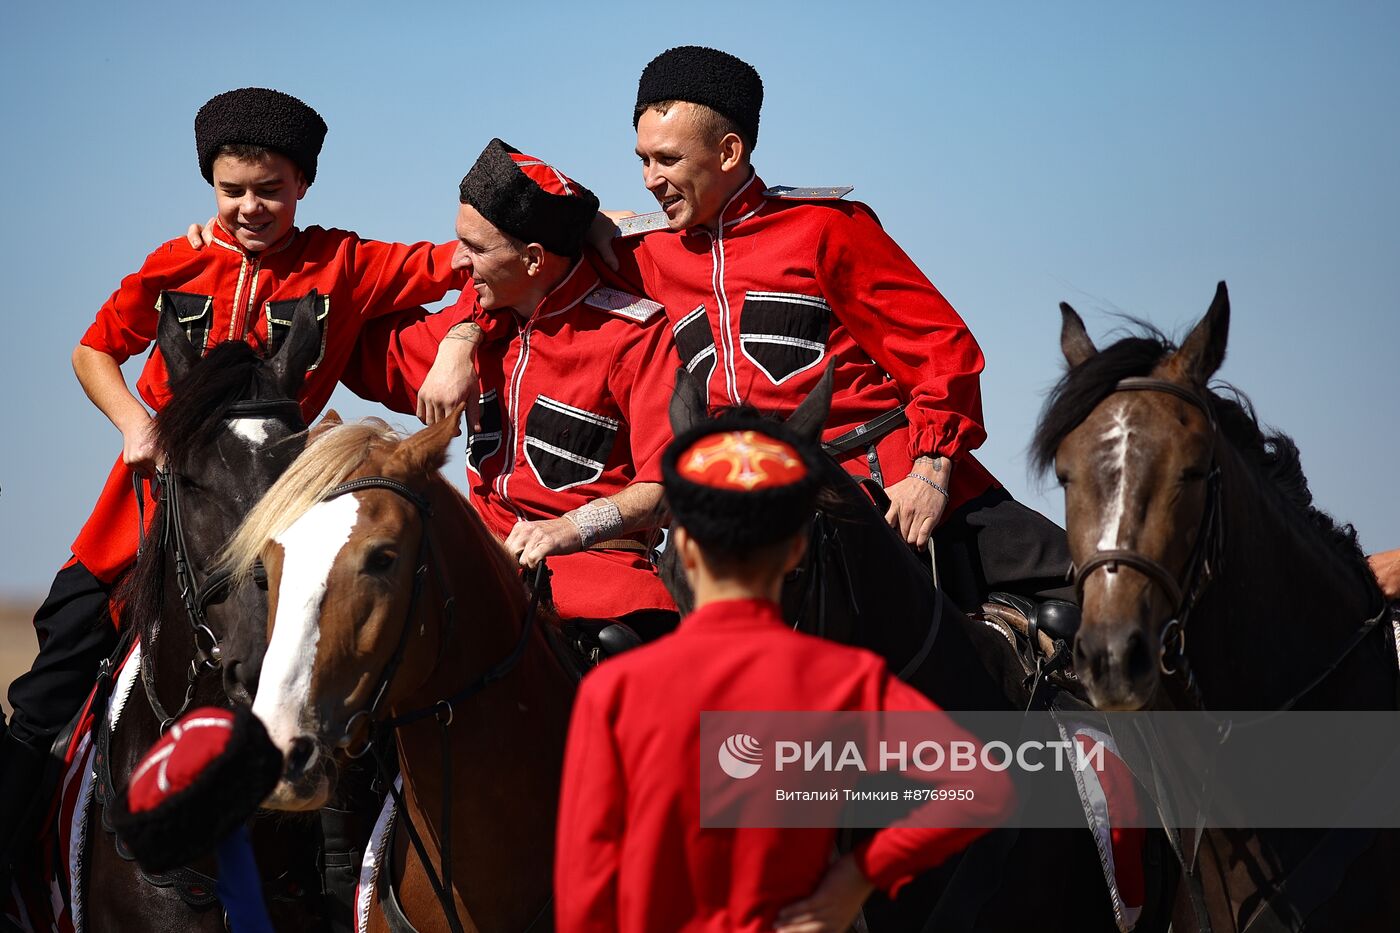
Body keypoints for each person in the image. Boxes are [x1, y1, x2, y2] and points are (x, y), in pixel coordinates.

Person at [0, 86, 470, 908]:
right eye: (232, 190)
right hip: (138, 525)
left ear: (303, 185)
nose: (251, 207)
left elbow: (459, 260)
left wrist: (463, 333)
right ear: (210, 186)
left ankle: (350, 888)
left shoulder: (345, 263)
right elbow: (92, 351)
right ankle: (10, 876)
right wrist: (134, 423)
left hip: (275, 539)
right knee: (44, 688)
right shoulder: (173, 264)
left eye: (270, 188)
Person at [618, 45, 1072, 613]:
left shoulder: (826, 228)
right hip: (751, 498)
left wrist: (931, 471)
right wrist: (466, 333)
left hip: (886, 485)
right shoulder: (649, 251)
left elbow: (940, 351)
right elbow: (501, 256)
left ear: (729, 151)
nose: (648, 180)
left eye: (666, 160)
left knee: (1090, 597)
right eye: (642, 159)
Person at [553, 415, 1012, 932]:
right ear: (795, 550)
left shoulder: (612, 691)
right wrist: (855, 878)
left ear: (683, 552)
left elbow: (584, 890)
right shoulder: (846, 678)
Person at [359, 138, 682, 632]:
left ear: (533, 259)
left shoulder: (634, 338)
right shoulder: (469, 329)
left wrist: (570, 529)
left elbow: (667, 487)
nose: (458, 263)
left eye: (476, 249)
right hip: (473, 586)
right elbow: (336, 329)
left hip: (601, 596)